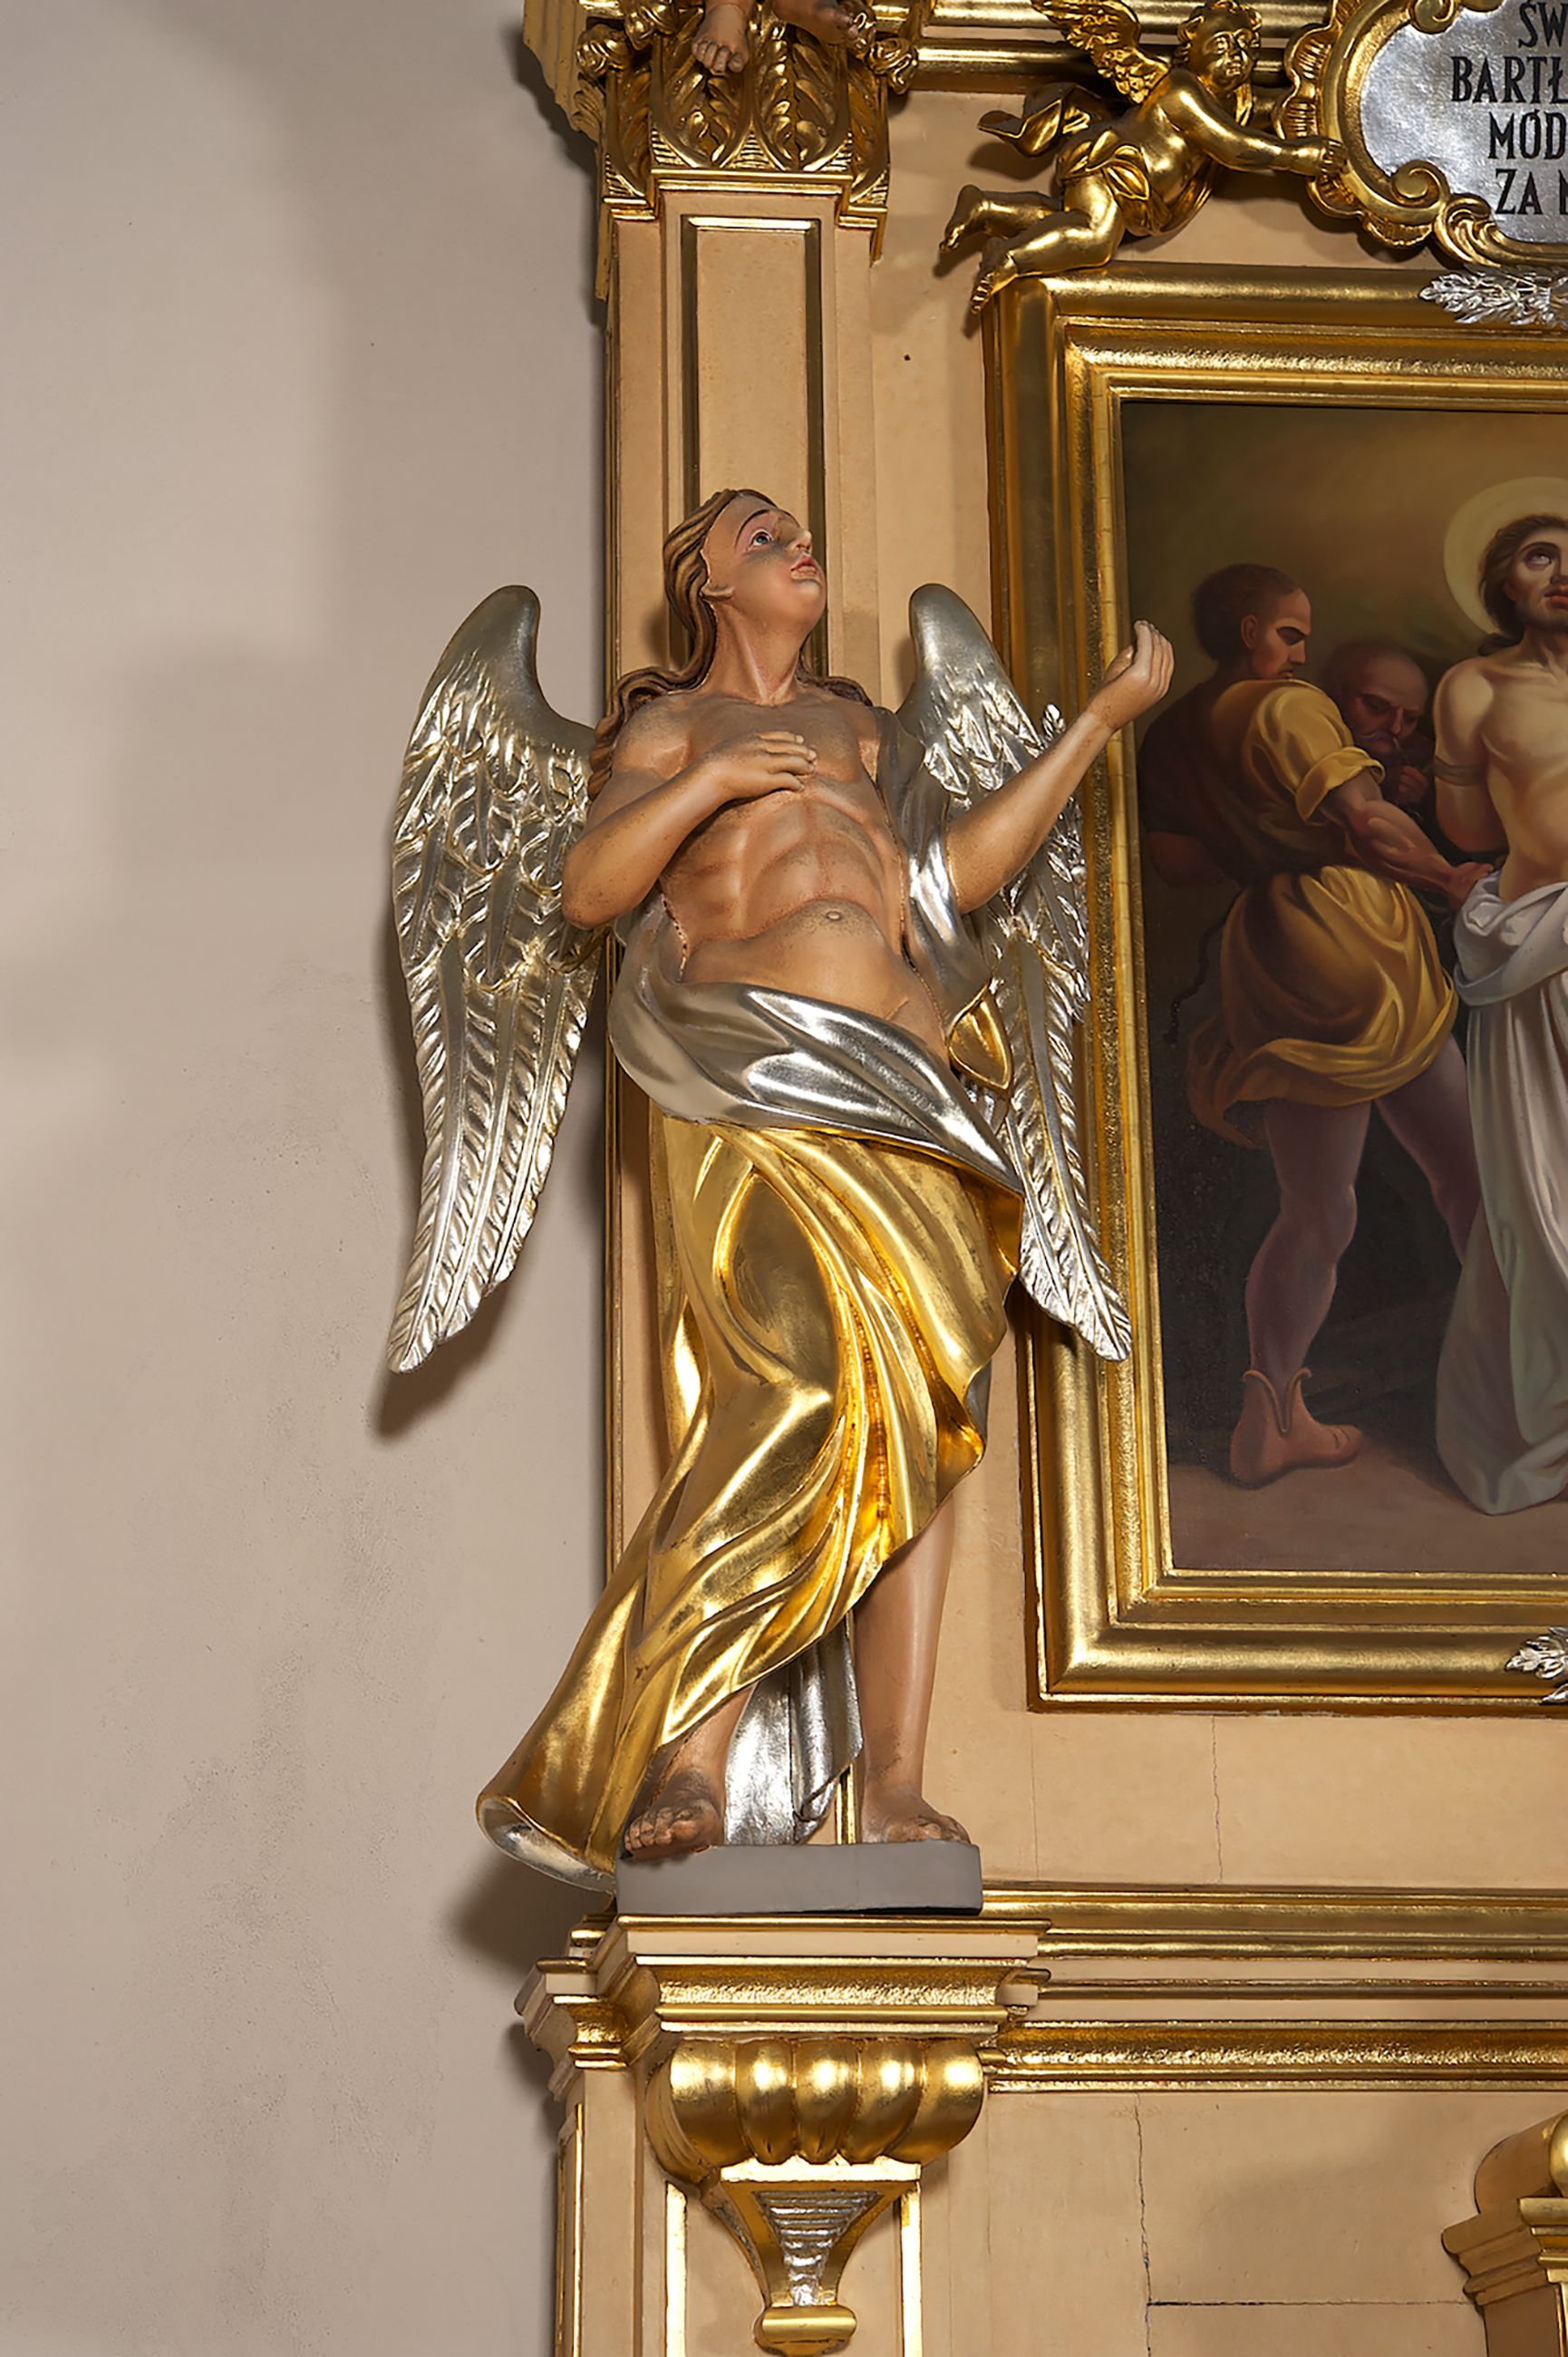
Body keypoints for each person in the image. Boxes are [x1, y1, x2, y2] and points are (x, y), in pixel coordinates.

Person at [472, 490, 1171, 1876]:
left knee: (923, 1424)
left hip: (911, 1094)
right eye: (761, 536)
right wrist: (712, 783)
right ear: (708, 584)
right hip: (757, 1080)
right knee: (789, 1390)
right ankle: (688, 1751)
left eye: (798, 531)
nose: (797, 544)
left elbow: (948, 885)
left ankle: (897, 1780)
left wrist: (1092, 724)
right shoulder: (676, 729)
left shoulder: (866, 735)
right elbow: (591, 890)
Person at [1138, 563, 1484, 1486]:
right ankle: (1521, 1384)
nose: (1298, 652)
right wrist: (1448, 877)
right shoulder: (1289, 708)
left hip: (1269, 948)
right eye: (1290, 634)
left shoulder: (1177, 729)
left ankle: (1271, 1417)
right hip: (1352, 936)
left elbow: (1177, 861)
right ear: (1251, 630)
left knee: (1316, 1207)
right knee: (1466, 1175)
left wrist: (1279, 830)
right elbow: (1367, 828)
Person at [1435, 510, 1568, 1512]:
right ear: (1504, 581)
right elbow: (1468, 828)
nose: (1563, 574)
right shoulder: (1475, 687)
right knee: (1538, 1199)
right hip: (1538, 957)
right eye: (1541, 556)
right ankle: (1547, 1425)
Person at [1320, 640, 1435, 811]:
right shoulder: (1310, 739)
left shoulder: (1423, 759)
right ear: (1339, 692)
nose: (1396, 728)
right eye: (1377, 706)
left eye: (1410, 718)